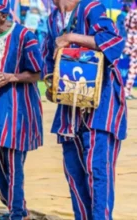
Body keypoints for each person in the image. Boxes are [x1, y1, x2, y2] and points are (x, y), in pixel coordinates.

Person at [42, 0, 127, 219]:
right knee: (74, 172)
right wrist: (51, 83)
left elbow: (113, 42)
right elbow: (48, 58)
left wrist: (71, 38)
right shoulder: (53, 19)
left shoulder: (90, 7)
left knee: (98, 171)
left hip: (100, 107)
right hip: (69, 112)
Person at [0, 0, 44, 219]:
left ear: (3, 15)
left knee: (13, 161)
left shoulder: (25, 37)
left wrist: (10, 77)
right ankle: (15, 205)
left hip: (18, 106)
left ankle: (17, 212)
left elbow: (37, 73)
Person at [123, 3, 137, 100]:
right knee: (133, 69)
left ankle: (126, 91)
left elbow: (126, 27)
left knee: (132, 68)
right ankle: (126, 91)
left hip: (130, 42)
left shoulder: (130, 13)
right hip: (135, 43)